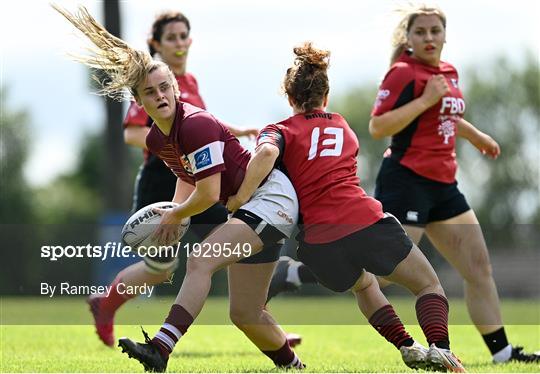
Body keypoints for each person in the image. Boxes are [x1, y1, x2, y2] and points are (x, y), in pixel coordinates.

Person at [53, 5, 304, 372]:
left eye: (165, 88)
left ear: (176, 88)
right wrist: (172, 212)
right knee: (245, 314)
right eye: (149, 93)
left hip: (268, 200)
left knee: (200, 259)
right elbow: (186, 174)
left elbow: (205, 190)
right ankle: (294, 364)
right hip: (246, 203)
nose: (160, 95)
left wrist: (176, 214)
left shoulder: (194, 123)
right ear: (138, 103)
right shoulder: (157, 137)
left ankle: (161, 347)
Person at [227, 42, 465, 372]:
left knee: (364, 285)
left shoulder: (280, 130)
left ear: (291, 98)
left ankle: (407, 346)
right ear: (325, 96)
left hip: (317, 241)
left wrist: (239, 198)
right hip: (364, 220)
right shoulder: (341, 125)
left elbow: (266, 153)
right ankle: (441, 348)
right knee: (427, 285)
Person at [368, 4, 539, 364]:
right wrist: (426, 99)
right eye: (421, 32)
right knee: (383, 275)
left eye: (435, 30)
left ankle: (503, 352)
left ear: (445, 35)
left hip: (444, 186)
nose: (429, 37)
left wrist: (475, 135)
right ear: (408, 38)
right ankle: (305, 271)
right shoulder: (402, 73)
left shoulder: (449, 71)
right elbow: (378, 127)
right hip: (406, 181)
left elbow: (446, 114)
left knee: (479, 268)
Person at [86, 10, 260, 348]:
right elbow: (134, 133)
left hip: (198, 177)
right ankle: (105, 304)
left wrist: (233, 132)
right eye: (171, 38)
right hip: (161, 178)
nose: (179, 44)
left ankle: (262, 324)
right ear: (156, 45)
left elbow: (200, 125)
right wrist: (174, 148)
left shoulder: (189, 82)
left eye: (183, 36)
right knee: (161, 268)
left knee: (238, 240)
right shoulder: (150, 85)